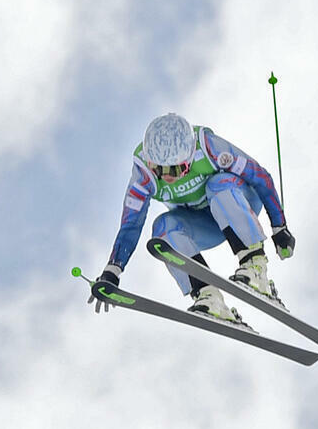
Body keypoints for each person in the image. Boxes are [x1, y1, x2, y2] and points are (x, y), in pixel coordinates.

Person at [91, 112, 294, 324]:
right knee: (162, 227)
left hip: (239, 203)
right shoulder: (144, 176)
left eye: (176, 169)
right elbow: (131, 224)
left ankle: (255, 266)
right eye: (159, 169)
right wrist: (113, 268)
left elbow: (260, 177)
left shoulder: (209, 148)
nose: (167, 176)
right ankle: (209, 296)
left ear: (189, 158)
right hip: (205, 224)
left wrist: (279, 227)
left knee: (217, 185)